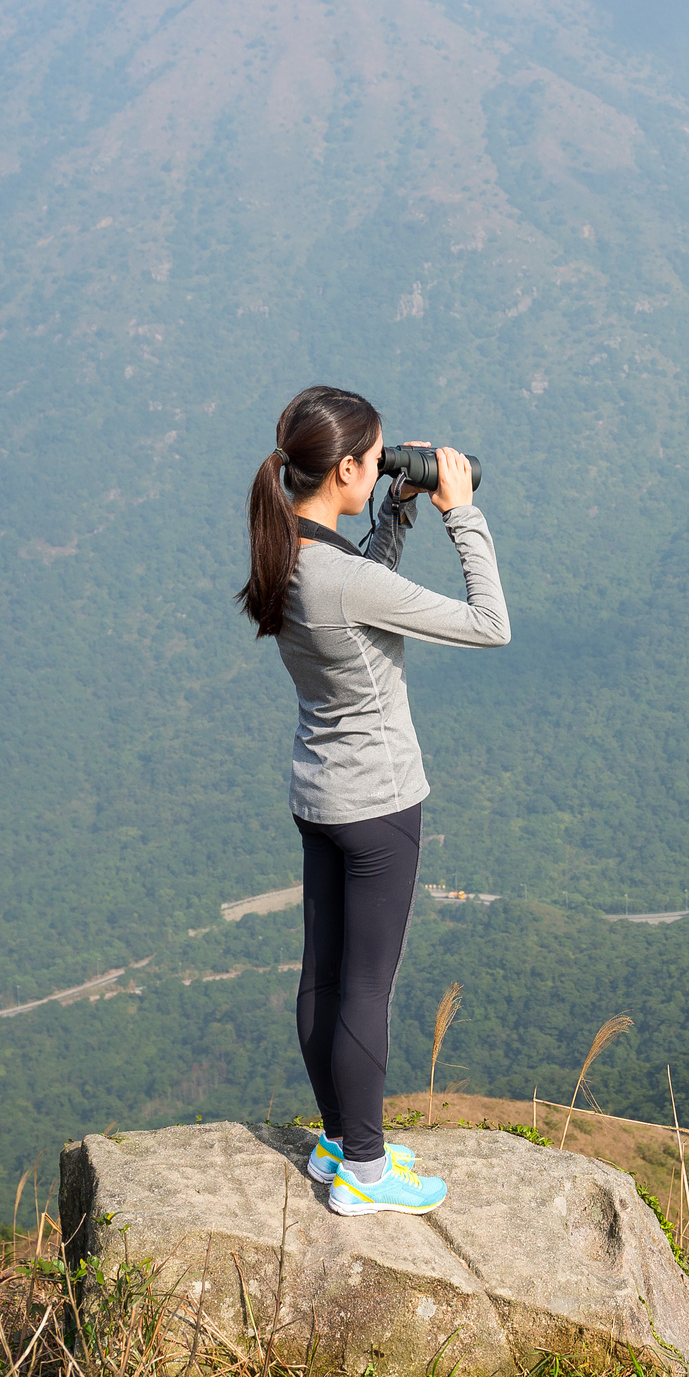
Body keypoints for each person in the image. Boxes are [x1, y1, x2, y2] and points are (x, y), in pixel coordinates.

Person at [235, 386, 509, 1215]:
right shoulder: (336, 575)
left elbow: (359, 587)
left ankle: (337, 1137)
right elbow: (489, 623)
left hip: (318, 796)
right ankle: (364, 1165)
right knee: (367, 990)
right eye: (379, 454)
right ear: (347, 467)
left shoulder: (285, 548)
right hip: (380, 808)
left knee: (322, 975)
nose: (387, 463)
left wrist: (395, 515)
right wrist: (460, 512)